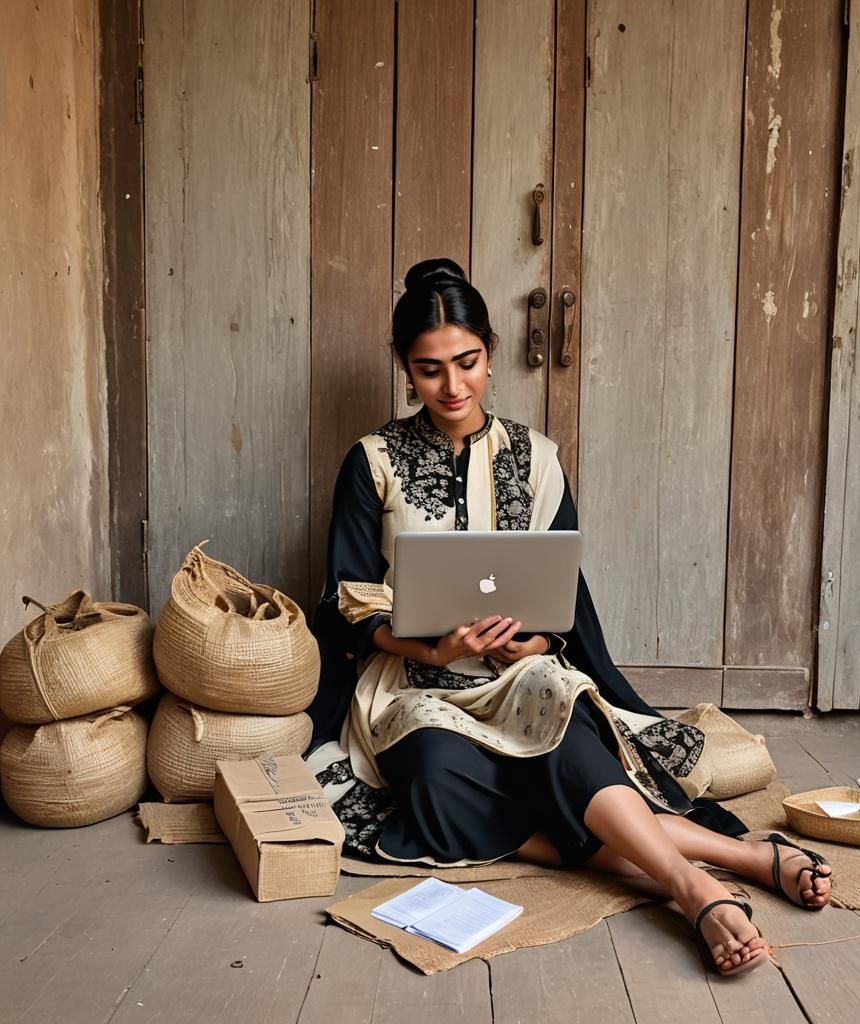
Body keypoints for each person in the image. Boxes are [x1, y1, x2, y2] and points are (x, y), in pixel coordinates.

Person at [306, 258, 832, 977]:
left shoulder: (538, 458)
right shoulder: (371, 460)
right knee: (433, 782)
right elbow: (351, 594)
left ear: (491, 352)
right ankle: (740, 859)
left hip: (520, 674)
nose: (453, 386)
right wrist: (431, 651)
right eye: (430, 370)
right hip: (415, 684)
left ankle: (695, 892)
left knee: (562, 744)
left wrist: (535, 643)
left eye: (468, 362)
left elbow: (561, 593)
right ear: (404, 366)